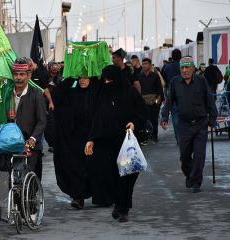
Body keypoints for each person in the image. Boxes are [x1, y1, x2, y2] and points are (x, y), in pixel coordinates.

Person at [84, 65, 148, 222]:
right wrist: (91, 138)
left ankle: (123, 208)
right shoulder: (103, 94)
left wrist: (134, 123)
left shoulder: (130, 92)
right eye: (105, 80)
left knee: (126, 175)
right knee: (110, 175)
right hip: (107, 142)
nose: (107, 83)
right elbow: (97, 118)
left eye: (110, 80)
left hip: (126, 140)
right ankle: (117, 203)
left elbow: (142, 113)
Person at [54, 41, 111, 210]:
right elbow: (58, 95)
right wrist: (71, 73)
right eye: (80, 77)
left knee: (98, 167)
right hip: (77, 138)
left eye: (85, 77)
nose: (82, 80)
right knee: (77, 167)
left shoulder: (98, 91)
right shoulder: (72, 91)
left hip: (96, 136)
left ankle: (102, 196)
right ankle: (78, 197)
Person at [160, 57, 218, 193]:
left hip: (200, 123)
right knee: (184, 155)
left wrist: (212, 118)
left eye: (187, 67)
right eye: (182, 68)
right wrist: (164, 116)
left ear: (193, 68)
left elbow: (209, 99)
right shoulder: (175, 82)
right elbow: (169, 101)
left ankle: (196, 181)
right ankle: (190, 175)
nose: (184, 70)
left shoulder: (201, 81)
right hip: (184, 125)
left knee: (199, 155)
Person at [10, 57, 46, 179]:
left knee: (27, 175)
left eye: (22, 74)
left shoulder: (37, 94)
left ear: (29, 76)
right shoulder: (7, 93)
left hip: (29, 142)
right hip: (10, 142)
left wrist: (33, 138)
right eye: (15, 74)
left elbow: (42, 121)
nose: (18, 77)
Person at [139, 58, 164, 142]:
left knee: (154, 119)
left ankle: (154, 135)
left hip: (154, 102)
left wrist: (159, 99)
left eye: (146, 63)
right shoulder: (139, 76)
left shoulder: (155, 76)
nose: (144, 65)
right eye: (143, 63)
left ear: (150, 65)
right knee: (145, 120)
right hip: (143, 102)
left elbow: (159, 89)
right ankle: (146, 135)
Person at [161, 48, 182, 143]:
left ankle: (178, 139)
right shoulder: (183, 66)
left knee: (175, 116)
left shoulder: (167, 67)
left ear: (172, 57)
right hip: (184, 92)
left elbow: (163, 77)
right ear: (180, 56)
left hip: (171, 92)